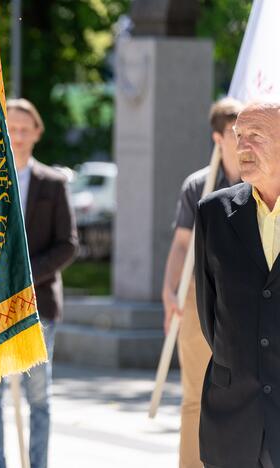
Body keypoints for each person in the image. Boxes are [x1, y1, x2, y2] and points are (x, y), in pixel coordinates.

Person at [0, 98, 78, 468]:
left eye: (25, 129)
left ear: (37, 132)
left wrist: (24, 277)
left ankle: (37, 463)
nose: (17, 136)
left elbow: (68, 245)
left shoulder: (52, 184)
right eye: (11, 127)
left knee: (38, 395)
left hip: (39, 304)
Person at [194, 100, 280, 467]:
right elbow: (209, 313)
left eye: (255, 136)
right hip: (232, 419)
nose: (242, 146)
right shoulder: (213, 212)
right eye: (238, 136)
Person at [160, 97, 243, 468]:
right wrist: (169, 290)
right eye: (234, 132)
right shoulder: (198, 185)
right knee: (195, 393)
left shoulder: (265, 180)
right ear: (217, 138)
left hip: (247, 296)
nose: (243, 138)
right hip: (199, 292)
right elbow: (181, 244)